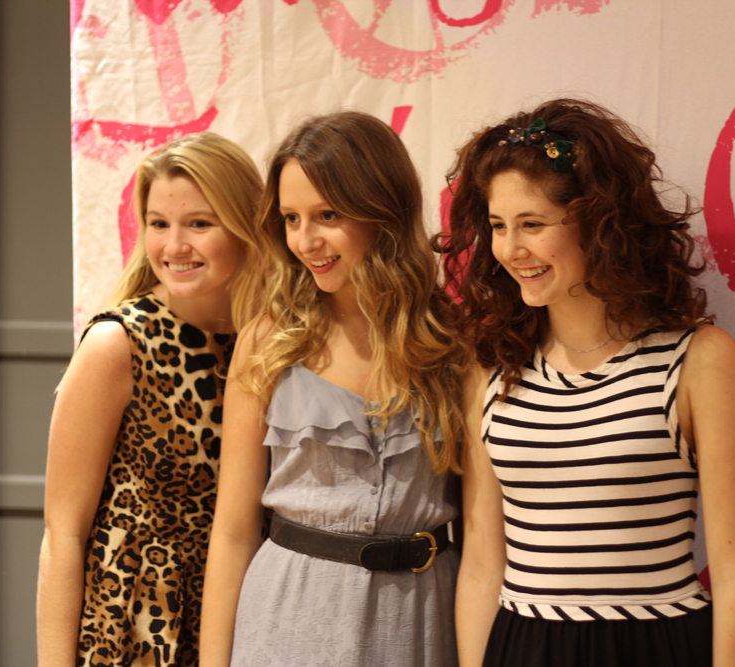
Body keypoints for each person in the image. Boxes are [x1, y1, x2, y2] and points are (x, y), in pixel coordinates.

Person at [437, 99, 735, 667]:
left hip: (654, 645)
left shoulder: (699, 360)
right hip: (522, 646)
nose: (510, 249)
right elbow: (483, 565)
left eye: (532, 224)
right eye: (498, 226)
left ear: (600, 222)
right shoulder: (490, 368)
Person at [199, 110, 471, 667]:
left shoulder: (453, 343)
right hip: (287, 623)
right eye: (291, 219)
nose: (305, 240)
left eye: (327, 215)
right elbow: (232, 532)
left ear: (383, 210)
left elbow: (484, 537)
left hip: (419, 624)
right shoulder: (268, 342)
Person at [37, 132, 264, 667]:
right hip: (135, 630)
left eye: (199, 224)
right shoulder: (117, 344)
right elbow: (63, 534)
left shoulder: (274, 339)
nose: (173, 246)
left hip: (246, 616)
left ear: (247, 226)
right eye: (158, 224)